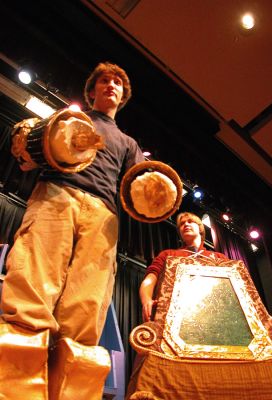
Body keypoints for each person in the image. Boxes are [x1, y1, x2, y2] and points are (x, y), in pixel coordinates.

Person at [0, 61, 144, 398]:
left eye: (117, 83)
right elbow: (25, 152)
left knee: (87, 306)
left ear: (122, 96)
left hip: (104, 215)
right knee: (31, 288)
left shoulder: (127, 142)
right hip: (56, 195)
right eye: (104, 81)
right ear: (91, 92)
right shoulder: (66, 118)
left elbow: (139, 188)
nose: (111, 85)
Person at [140, 211, 228, 322]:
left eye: (190, 221)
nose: (186, 224)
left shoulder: (219, 257)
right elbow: (150, 279)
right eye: (182, 224)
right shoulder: (168, 255)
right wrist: (146, 300)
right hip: (175, 317)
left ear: (201, 229)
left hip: (216, 317)